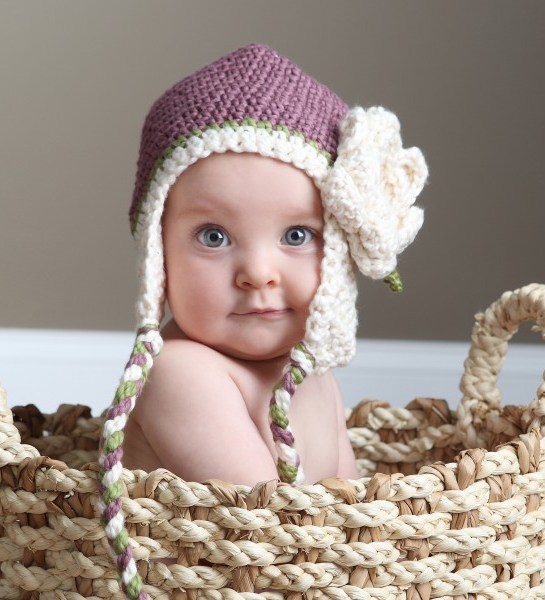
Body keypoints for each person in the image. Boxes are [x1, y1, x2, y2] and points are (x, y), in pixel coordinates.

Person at [97, 43, 427, 593]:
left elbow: (350, 509)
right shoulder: (181, 373)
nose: (257, 272)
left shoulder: (312, 371)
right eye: (214, 236)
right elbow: (270, 532)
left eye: (297, 236)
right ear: (158, 255)